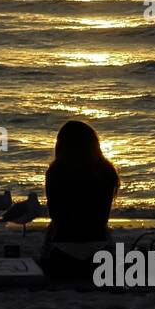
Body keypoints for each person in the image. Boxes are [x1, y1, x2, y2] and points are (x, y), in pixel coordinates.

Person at [40, 120, 120, 280]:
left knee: (52, 228)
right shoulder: (106, 171)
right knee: (104, 230)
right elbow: (102, 218)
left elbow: (55, 216)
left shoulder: (56, 171)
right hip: (99, 257)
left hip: (62, 257)